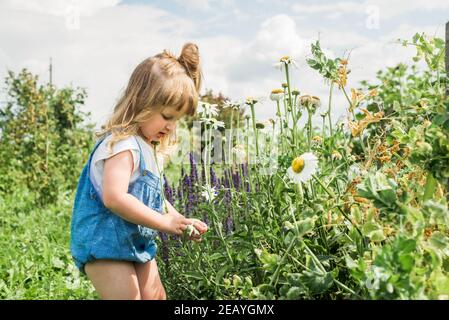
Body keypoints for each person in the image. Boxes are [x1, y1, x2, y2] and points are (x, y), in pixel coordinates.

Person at [70, 42, 208, 300]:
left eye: (177, 119)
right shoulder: (124, 145)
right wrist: (165, 223)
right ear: (141, 103)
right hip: (105, 245)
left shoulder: (148, 148)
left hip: (137, 242)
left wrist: (178, 219)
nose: (170, 126)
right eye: (167, 116)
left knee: (156, 297)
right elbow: (115, 197)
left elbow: (154, 198)